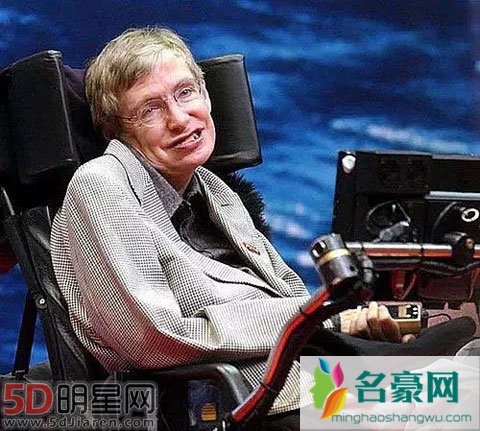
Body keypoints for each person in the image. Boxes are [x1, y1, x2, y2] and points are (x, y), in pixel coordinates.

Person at [50, 27, 452, 429]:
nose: (179, 119)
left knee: (462, 349)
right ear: (116, 129)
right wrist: (325, 319)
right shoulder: (101, 184)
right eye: (150, 110)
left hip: (304, 375)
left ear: (206, 94)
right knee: (459, 395)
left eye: (185, 93)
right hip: (237, 399)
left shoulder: (214, 189)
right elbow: (153, 338)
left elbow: (291, 296)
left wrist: (350, 324)